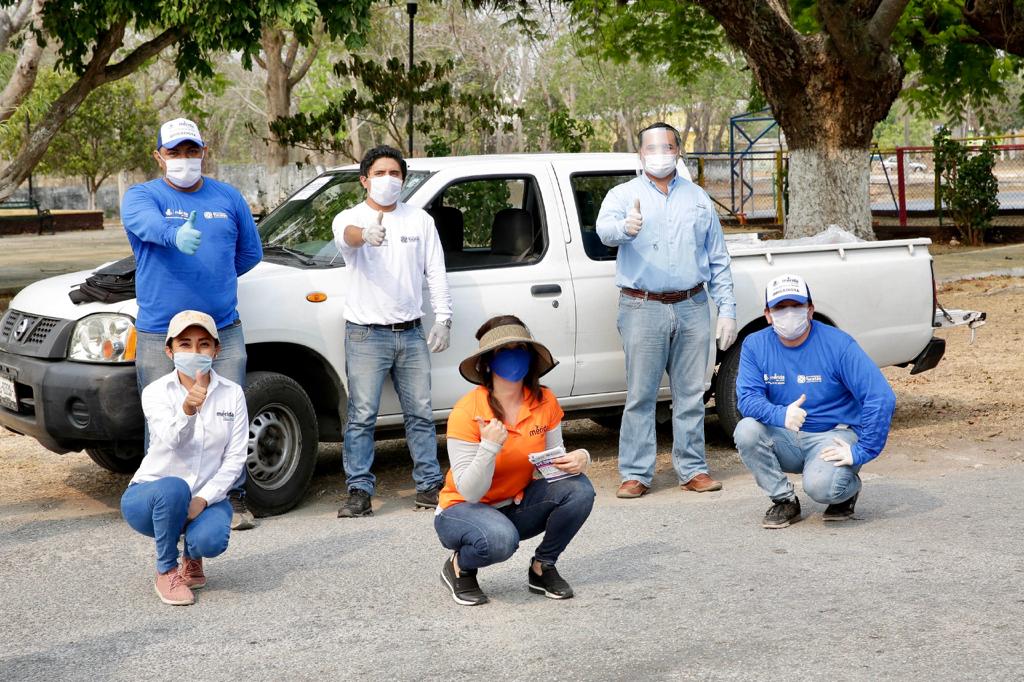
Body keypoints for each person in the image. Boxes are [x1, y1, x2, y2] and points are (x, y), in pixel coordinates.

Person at [121, 117, 263, 531]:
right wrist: (172, 235)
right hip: (160, 333)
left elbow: (249, 253)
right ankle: (160, 501)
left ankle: (230, 499)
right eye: (175, 152)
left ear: (204, 152)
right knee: (163, 419)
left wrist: (214, 272)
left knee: (228, 413)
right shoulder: (141, 196)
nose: (184, 159)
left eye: (191, 151)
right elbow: (144, 225)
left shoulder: (228, 197)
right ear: (159, 157)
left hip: (222, 329)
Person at [596, 121, 737, 499]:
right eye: (652, 148)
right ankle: (636, 473)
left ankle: (693, 468)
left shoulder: (698, 198)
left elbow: (717, 257)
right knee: (641, 395)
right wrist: (625, 228)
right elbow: (603, 231)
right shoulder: (622, 195)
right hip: (643, 306)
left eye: (667, 147)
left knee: (691, 394)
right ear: (640, 154)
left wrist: (727, 308)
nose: (660, 154)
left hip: (692, 304)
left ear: (678, 151)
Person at [434, 315, 595, 606]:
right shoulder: (466, 410)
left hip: (514, 503)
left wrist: (581, 458)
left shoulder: (545, 400)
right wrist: (489, 447)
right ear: (486, 363)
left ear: (531, 357)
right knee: (500, 541)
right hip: (462, 509)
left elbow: (554, 464)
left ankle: (542, 567)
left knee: (579, 489)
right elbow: (470, 492)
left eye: (520, 348)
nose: (514, 356)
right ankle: (460, 566)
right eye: (503, 350)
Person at [331, 145, 453, 518]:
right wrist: (364, 235)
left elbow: (435, 271)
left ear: (404, 178)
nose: (388, 180)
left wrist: (444, 317)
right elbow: (346, 236)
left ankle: (429, 486)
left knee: (419, 412)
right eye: (380, 173)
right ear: (364, 179)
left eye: (395, 173)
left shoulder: (419, 220)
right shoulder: (350, 217)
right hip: (366, 333)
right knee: (362, 415)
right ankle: (359, 491)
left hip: (411, 332)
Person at [733, 274, 897, 528]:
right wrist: (780, 414)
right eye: (780, 308)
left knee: (822, 488)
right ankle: (784, 500)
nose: (789, 313)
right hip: (786, 433)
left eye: (796, 306)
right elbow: (747, 399)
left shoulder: (839, 344)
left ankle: (846, 491)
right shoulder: (755, 344)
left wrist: (863, 450)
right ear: (767, 314)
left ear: (810, 309)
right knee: (746, 430)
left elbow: (880, 396)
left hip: (832, 436)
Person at [120, 311, 247, 605]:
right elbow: (172, 440)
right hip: (152, 497)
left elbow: (236, 457)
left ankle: (193, 555)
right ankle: (166, 570)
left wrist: (204, 498)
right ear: (170, 350)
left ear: (216, 350)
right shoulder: (156, 392)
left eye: (204, 344)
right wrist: (187, 410)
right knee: (175, 487)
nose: (195, 351)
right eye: (185, 344)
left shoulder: (233, 394)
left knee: (212, 539)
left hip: (204, 500)